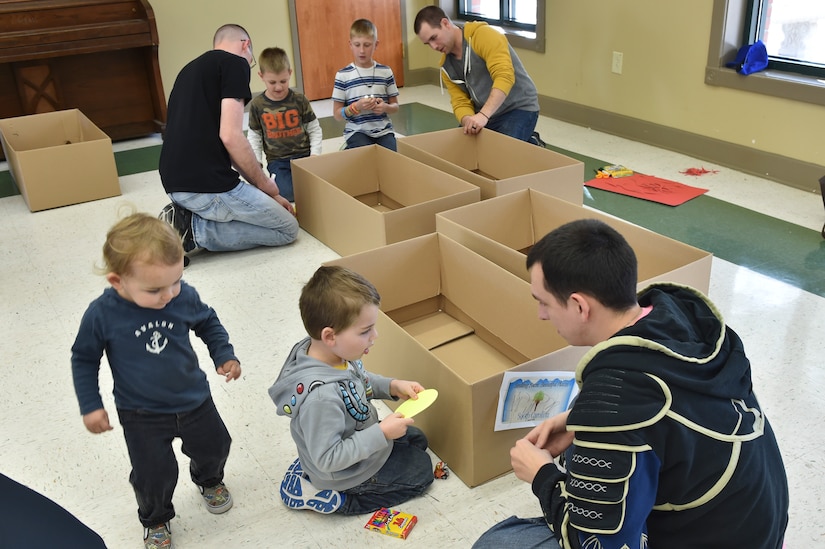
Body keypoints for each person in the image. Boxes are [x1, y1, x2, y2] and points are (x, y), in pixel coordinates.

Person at [474, 219, 789, 549]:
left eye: (544, 302)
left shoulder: (613, 403)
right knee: (580, 430)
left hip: (705, 537)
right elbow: (670, 408)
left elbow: (590, 544)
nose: (541, 314)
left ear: (580, 306)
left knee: (496, 544)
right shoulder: (678, 321)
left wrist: (541, 476)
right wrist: (577, 418)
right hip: (756, 528)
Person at [71, 212, 241, 549]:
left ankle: (209, 479)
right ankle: (156, 518)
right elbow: (84, 358)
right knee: (153, 474)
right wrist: (91, 405)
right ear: (117, 281)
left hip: (195, 400)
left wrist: (224, 354)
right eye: (154, 289)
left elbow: (207, 322)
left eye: (176, 280)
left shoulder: (182, 296)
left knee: (216, 446)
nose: (169, 294)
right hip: (141, 413)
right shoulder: (102, 314)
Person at [269, 265, 433, 515]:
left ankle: (315, 469)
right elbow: (328, 458)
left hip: (360, 440)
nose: (375, 336)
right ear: (330, 336)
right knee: (422, 472)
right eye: (365, 331)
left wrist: (392, 386)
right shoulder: (321, 398)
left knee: (418, 439)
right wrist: (381, 433)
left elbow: (360, 380)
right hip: (344, 472)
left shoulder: (336, 354)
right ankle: (338, 500)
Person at [158, 24, 298, 262]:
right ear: (245, 45)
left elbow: (227, 146)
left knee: (260, 210)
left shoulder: (189, 70)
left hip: (173, 183)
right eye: (251, 59)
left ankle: (186, 217)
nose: (249, 63)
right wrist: (268, 187)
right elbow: (231, 136)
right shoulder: (235, 63)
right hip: (205, 185)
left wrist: (263, 191)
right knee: (287, 229)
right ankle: (193, 230)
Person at [413, 6, 544, 145]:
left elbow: (504, 76)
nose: (434, 47)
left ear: (445, 23)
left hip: (518, 108)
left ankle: (531, 143)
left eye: (434, 38)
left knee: (502, 154)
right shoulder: (446, 67)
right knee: (461, 150)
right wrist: (468, 120)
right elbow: (460, 101)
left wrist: (483, 115)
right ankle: (527, 141)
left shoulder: (484, 36)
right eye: (428, 43)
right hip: (485, 112)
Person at [247, 46, 323, 203]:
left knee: (319, 191)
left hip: (305, 157)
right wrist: (256, 162)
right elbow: (254, 135)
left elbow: (314, 129)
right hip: (278, 161)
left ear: (290, 73)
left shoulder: (300, 100)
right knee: (287, 194)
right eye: (272, 82)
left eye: (283, 81)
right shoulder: (257, 105)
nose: (279, 87)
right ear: (261, 76)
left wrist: (315, 154)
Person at [332, 19, 400, 151]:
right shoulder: (342, 75)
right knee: (366, 153)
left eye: (367, 45)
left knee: (392, 156)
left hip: (384, 131)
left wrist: (385, 107)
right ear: (350, 45)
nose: (362, 50)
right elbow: (337, 114)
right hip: (357, 131)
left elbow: (395, 106)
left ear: (376, 45)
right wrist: (355, 107)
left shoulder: (386, 72)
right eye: (357, 45)